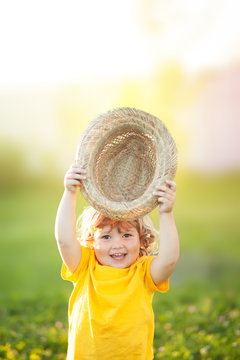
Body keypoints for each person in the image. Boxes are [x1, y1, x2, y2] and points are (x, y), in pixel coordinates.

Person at [55, 162, 180, 360]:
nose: (117, 244)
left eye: (126, 235)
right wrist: (70, 192)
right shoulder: (85, 266)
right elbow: (64, 240)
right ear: (91, 241)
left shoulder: (143, 272)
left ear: (141, 239)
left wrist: (166, 213)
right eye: (106, 237)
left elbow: (168, 260)